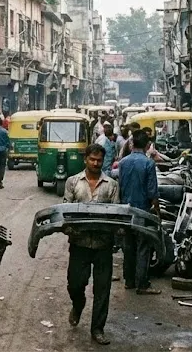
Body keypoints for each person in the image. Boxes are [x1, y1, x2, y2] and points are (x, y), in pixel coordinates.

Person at [62, 143, 120, 345]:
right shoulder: (73, 182)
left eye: (99, 160)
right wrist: (69, 229)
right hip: (79, 244)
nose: (95, 163)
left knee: (102, 289)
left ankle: (97, 329)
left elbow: (116, 215)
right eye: (92, 159)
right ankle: (78, 305)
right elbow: (65, 211)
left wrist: (117, 234)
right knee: (75, 284)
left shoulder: (111, 185)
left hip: (103, 245)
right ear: (85, 159)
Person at [117, 131, 161, 296]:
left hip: (126, 210)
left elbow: (120, 187)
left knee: (128, 246)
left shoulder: (123, 163)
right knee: (143, 247)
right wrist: (157, 211)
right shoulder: (148, 164)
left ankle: (129, 281)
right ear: (147, 145)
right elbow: (152, 192)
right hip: (142, 211)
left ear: (132, 144)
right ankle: (142, 283)